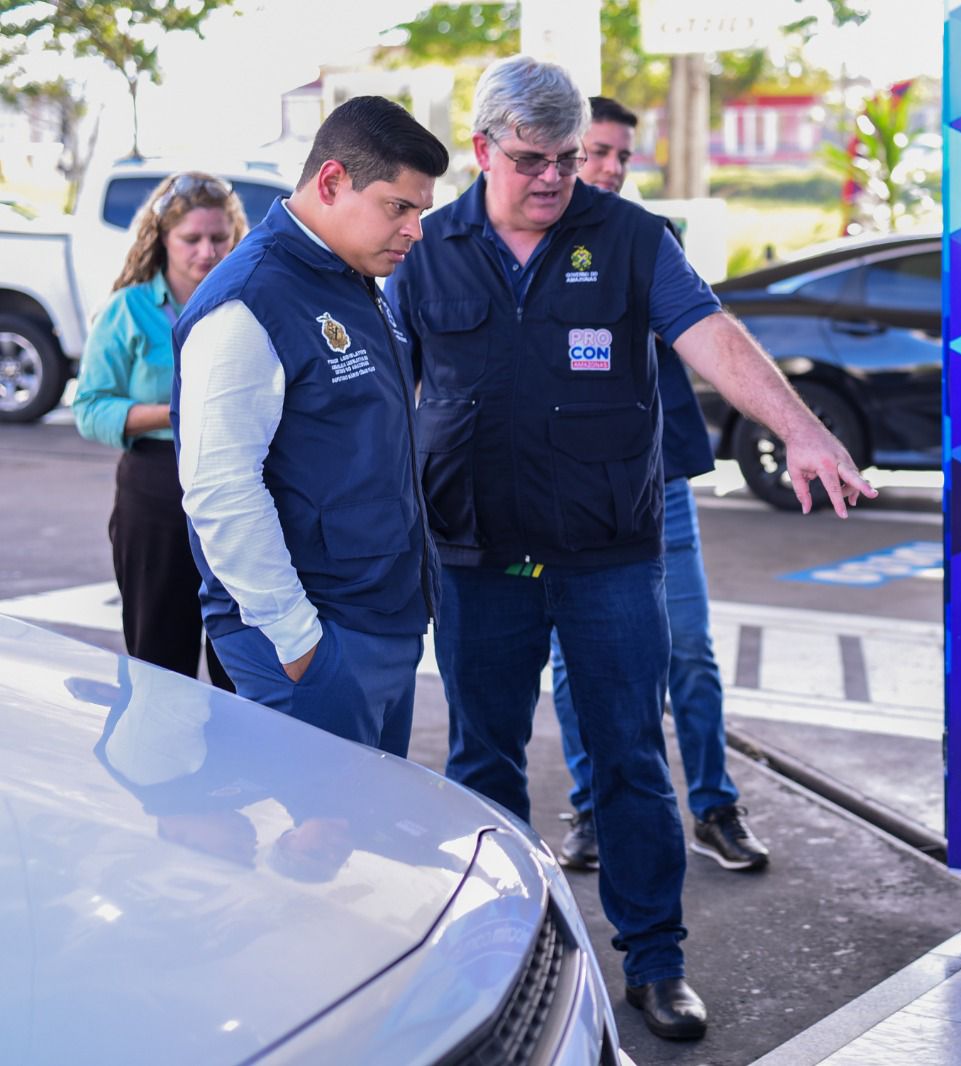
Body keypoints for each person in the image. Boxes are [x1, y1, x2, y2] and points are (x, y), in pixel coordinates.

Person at [387, 58, 875, 1042]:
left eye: (568, 159)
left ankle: (656, 961)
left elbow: (714, 336)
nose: (554, 178)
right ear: (481, 149)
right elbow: (378, 393)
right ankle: (497, 957)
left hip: (605, 553)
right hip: (477, 555)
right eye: (530, 159)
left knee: (628, 759)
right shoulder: (424, 250)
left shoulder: (629, 239)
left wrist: (802, 429)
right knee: (482, 759)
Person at [171, 96, 449, 756]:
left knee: (371, 847)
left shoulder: (349, 277)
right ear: (331, 182)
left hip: (374, 621)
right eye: (398, 207)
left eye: (421, 211)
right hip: (316, 640)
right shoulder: (251, 299)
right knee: (323, 853)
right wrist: (302, 648)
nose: (414, 230)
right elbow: (219, 489)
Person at [549, 96, 767, 876]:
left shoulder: (649, 241)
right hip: (568, 492)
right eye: (597, 153)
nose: (608, 168)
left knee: (690, 652)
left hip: (658, 482)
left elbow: (698, 336)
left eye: (620, 157)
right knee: (575, 662)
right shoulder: (533, 243)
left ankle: (714, 807)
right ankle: (591, 809)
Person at [73, 172, 245, 692]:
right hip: (155, 486)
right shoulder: (129, 309)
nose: (207, 251)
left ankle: (237, 774)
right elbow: (90, 407)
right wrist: (174, 411)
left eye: (219, 238)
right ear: (162, 239)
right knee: (159, 660)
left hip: (238, 485)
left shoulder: (248, 300)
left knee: (239, 662)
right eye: (191, 239)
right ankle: (154, 771)